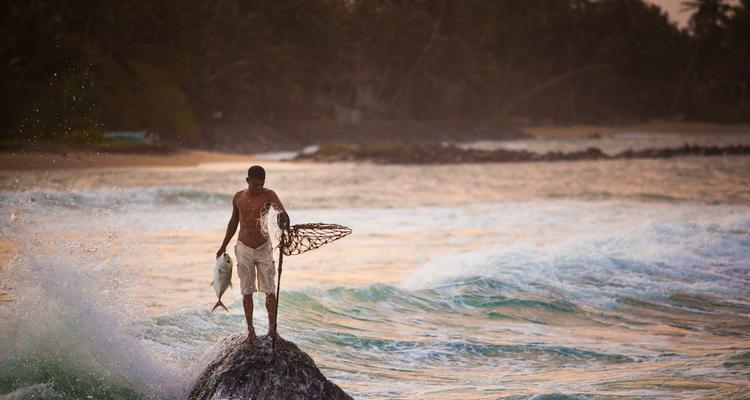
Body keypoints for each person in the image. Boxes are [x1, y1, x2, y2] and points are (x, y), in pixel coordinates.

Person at [216, 165, 290, 343]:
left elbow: (281, 212)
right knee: (246, 291)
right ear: (247, 180)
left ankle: (273, 330)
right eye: (255, 184)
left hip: (264, 247)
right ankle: (251, 332)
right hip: (243, 247)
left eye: (261, 184)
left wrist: (284, 221)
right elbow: (233, 222)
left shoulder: (269, 195)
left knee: (270, 291)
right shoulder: (238, 197)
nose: (258, 188)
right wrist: (223, 245)